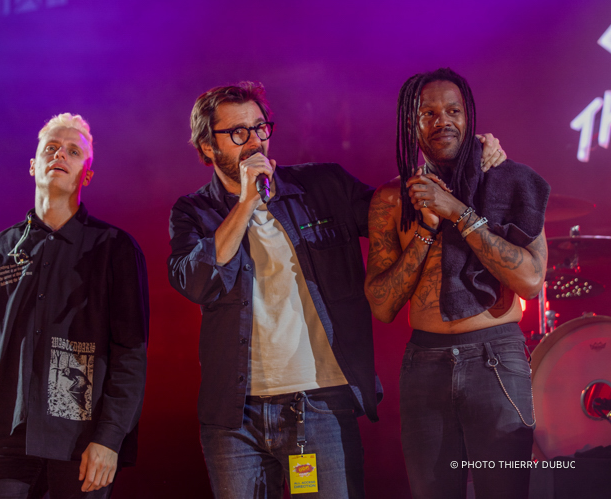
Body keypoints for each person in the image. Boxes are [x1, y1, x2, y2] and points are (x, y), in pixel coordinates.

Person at [167, 82, 506, 499]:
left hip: (319, 405)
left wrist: (461, 160)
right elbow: (197, 282)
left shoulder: (323, 186)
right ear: (207, 147)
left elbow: (396, 211)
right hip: (235, 418)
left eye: (260, 127)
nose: (255, 141)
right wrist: (245, 204)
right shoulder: (193, 212)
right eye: (238, 132)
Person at [364, 68, 548, 499]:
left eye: (453, 111)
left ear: (469, 117)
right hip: (424, 364)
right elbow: (382, 306)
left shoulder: (510, 181)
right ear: (411, 124)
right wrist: (427, 230)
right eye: (428, 113)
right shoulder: (392, 198)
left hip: (495, 358)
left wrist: (457, 211)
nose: (441, 120)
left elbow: (531, 281)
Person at [0, 113, 149, 499]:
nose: (60, 154)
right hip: (4, 440)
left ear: (87, 175)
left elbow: (131, 354)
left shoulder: (114, 248)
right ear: (33, 165)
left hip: (81, 441)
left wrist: (110, 438)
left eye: (74, 151)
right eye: (52, 148)